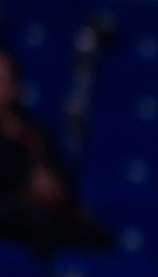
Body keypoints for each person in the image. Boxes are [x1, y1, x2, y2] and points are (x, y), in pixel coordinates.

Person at [0, 48, 107, 255]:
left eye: (5, 78)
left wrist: (52, 189)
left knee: (90, 233)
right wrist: (26, 179)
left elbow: (61, 181)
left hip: (46, 217)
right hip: (11, 216)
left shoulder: (34, 133)